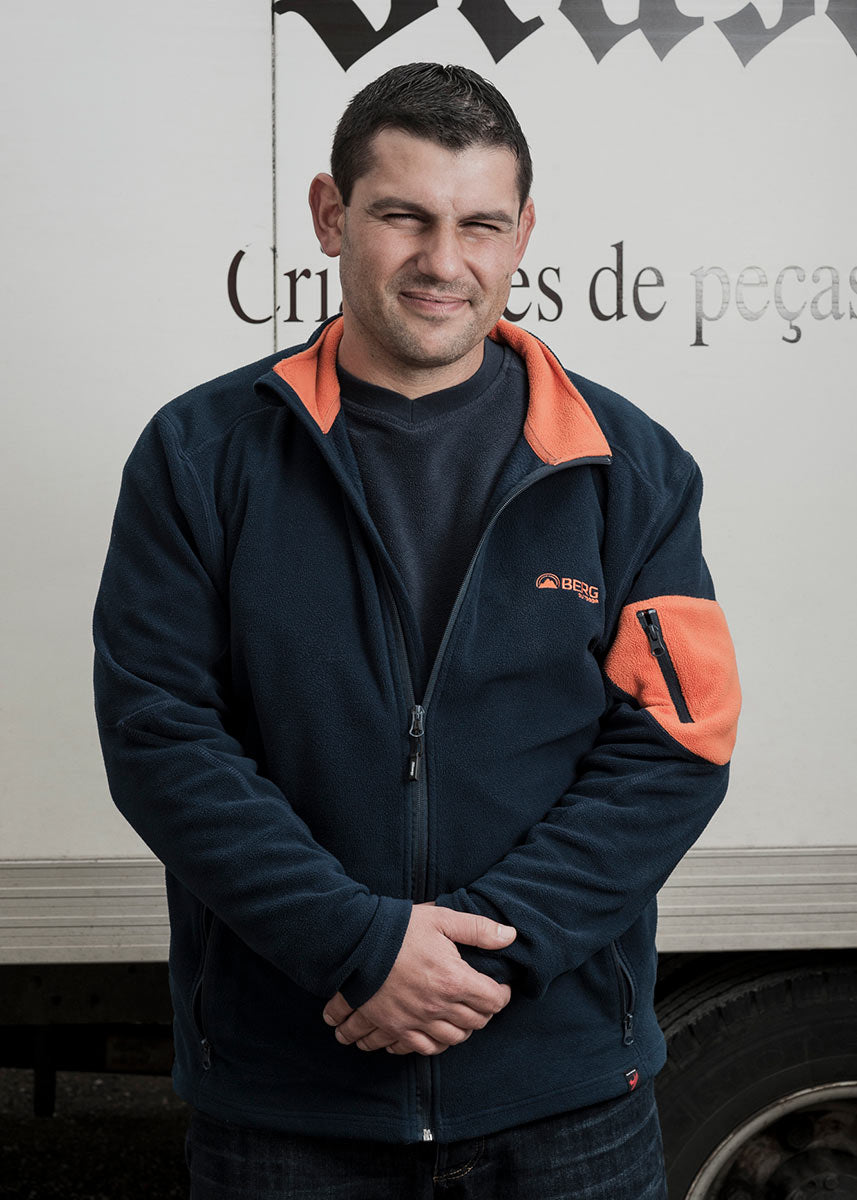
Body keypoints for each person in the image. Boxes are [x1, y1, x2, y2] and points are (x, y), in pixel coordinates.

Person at [93, 63, 740, 1199]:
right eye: (404, 216)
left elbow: (674, 745)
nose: (445, 262)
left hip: (564, 1104)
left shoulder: (627, 467)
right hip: (290, 1103)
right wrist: (358, 946)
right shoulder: (200, 457)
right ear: (330, 215)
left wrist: (482, 951)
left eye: (479, 224)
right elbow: (161, 736)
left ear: (521, 234)